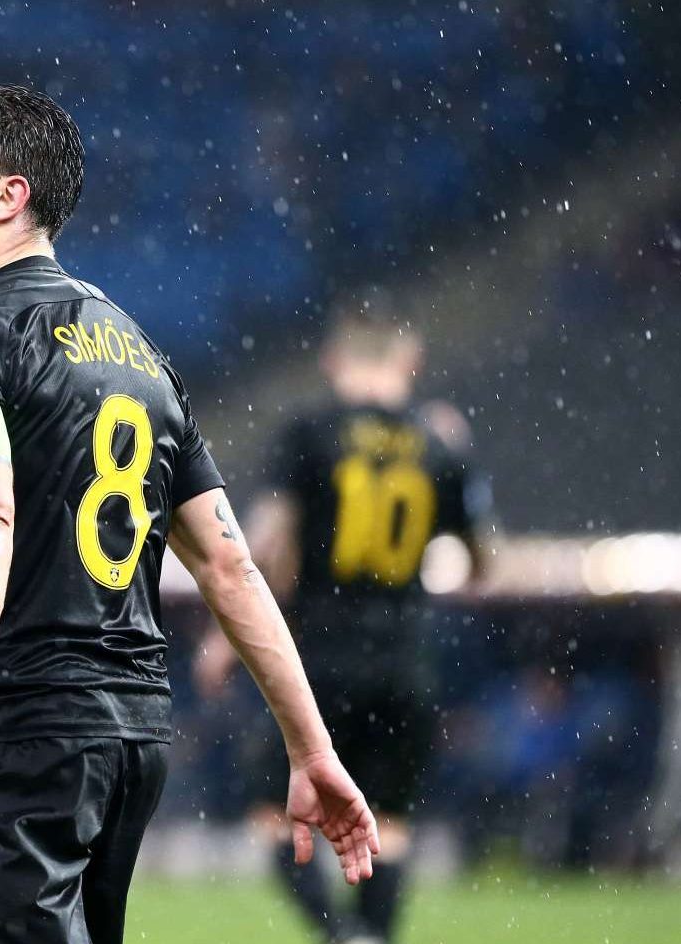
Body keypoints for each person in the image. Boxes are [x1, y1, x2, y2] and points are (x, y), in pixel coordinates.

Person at [0, 82, 379, 944]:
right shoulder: (139, 354)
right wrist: (312, 749)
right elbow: (228, 563)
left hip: (23, 724)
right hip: (132, 736)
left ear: (8, 196)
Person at [196, 296, 484, 944]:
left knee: (275, 814)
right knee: (390, 824)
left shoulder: (309, 433)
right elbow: (480, 560)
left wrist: (224, 637)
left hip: (319, 658)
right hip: (405, 661)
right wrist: (460, 468)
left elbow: (266, 542)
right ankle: (368, 935)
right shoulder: (439, 442)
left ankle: (337, 935)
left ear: (332, 360)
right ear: (411, 359)